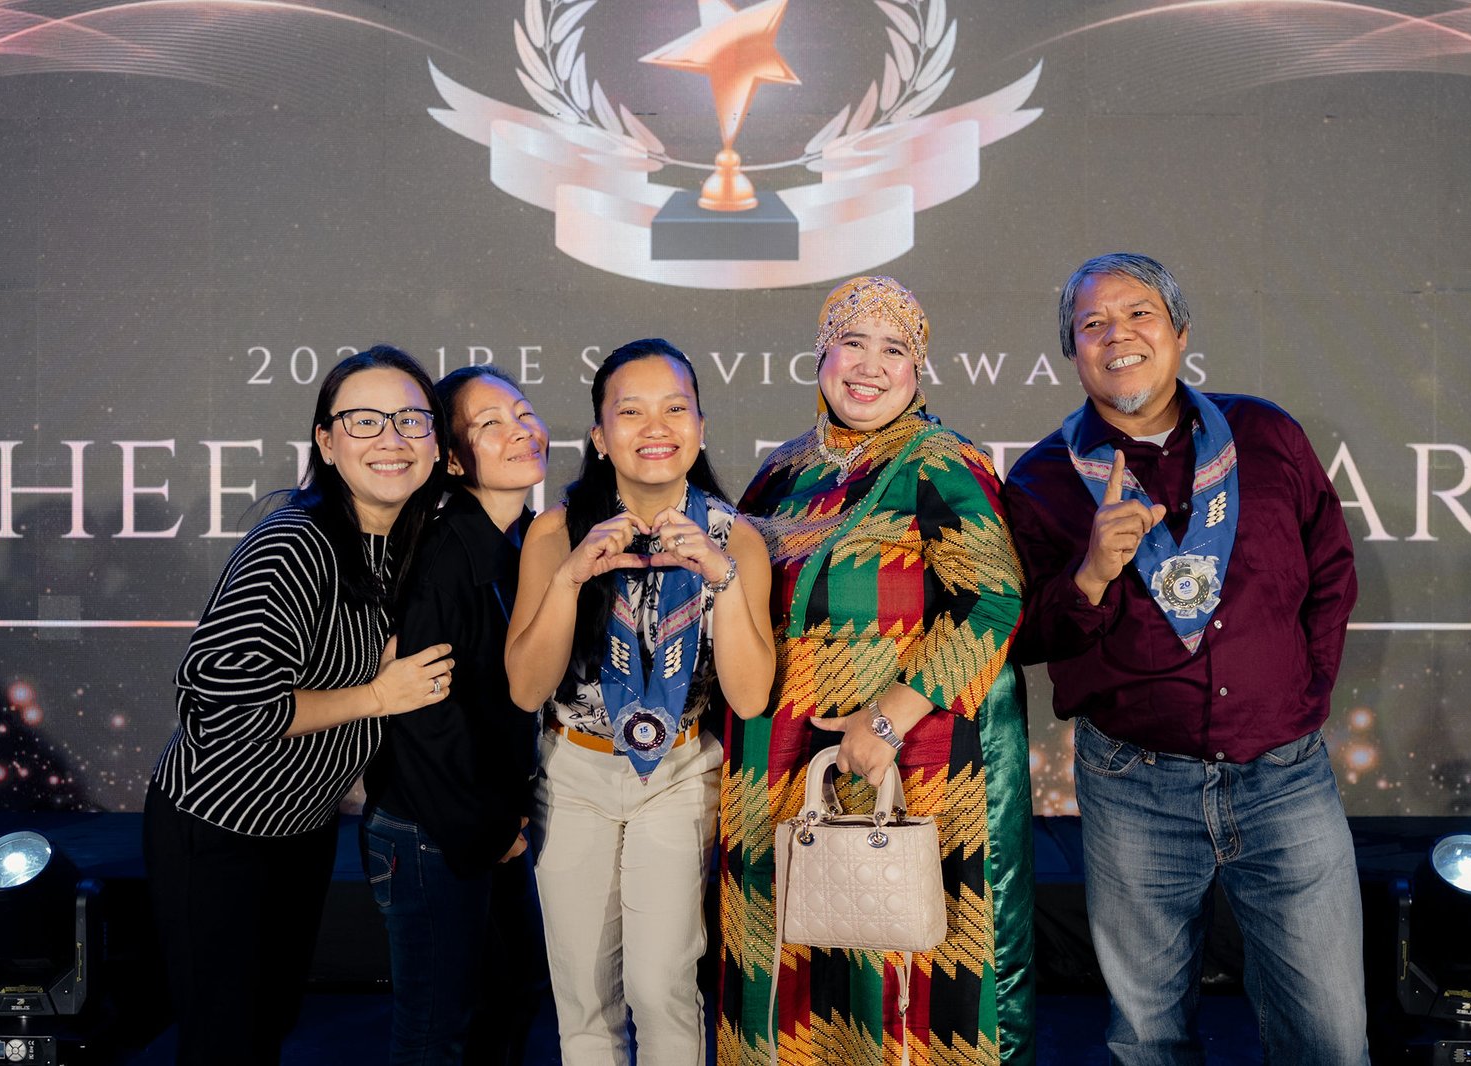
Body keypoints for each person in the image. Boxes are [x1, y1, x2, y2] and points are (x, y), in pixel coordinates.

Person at [1003, 253, 1367, 1064]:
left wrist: (1303, 695)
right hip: (1135, 787)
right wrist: (1091, 573)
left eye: (1139, 313)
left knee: (1330, 1037)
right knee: (1148, 1038)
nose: (1118, 335)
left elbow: (1331, 570)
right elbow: (1024, 637)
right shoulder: (1040, 481)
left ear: (1180, 332)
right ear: (1072, 353)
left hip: (1285, 776)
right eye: (1092, 324)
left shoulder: (1265, 435)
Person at [718, 276, 1035, 1066]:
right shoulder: (782, 472)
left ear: (917, 369)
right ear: (820, 355)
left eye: (893, 350)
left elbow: (993, 601)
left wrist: (887, 720)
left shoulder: (941, 463)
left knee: (896, 980)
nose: (869, 365)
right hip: (775, 769)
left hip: (905, 765)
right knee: (787, 971)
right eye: (851, 343)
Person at [144, 345, 455, 1066]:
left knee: (268, 1026)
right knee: (224, 1043)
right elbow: (220, 708)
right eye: (364, 420)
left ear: (438, 444)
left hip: (301, 827)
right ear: (326, 441)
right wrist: (377, 697)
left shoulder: (405, 543)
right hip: (220, 829)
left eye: (411, 420)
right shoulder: (296, 543)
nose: (391, 439)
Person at [504, 338, 776, 1066]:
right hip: (574, 773)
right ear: (600, 436)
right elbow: (525, 688)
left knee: (662, 987)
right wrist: (569, 579)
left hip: (679, 775)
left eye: (675, 409)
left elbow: (751, 697)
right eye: (631, 412)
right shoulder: (558, 530)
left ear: (701, 427)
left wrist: (721, 578)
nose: (656, 428)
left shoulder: (737, 538)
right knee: (584, 1000)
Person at [360, 364, 551, 1064]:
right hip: (431, 831)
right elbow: (423, 718)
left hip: (489, 820)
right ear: (451, 458)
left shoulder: (525, 542)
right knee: (435, 1035)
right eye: (489, 424)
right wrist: (491, 830)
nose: (520, 431)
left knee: (514, 995)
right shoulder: (440, 555)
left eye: (523, 412)